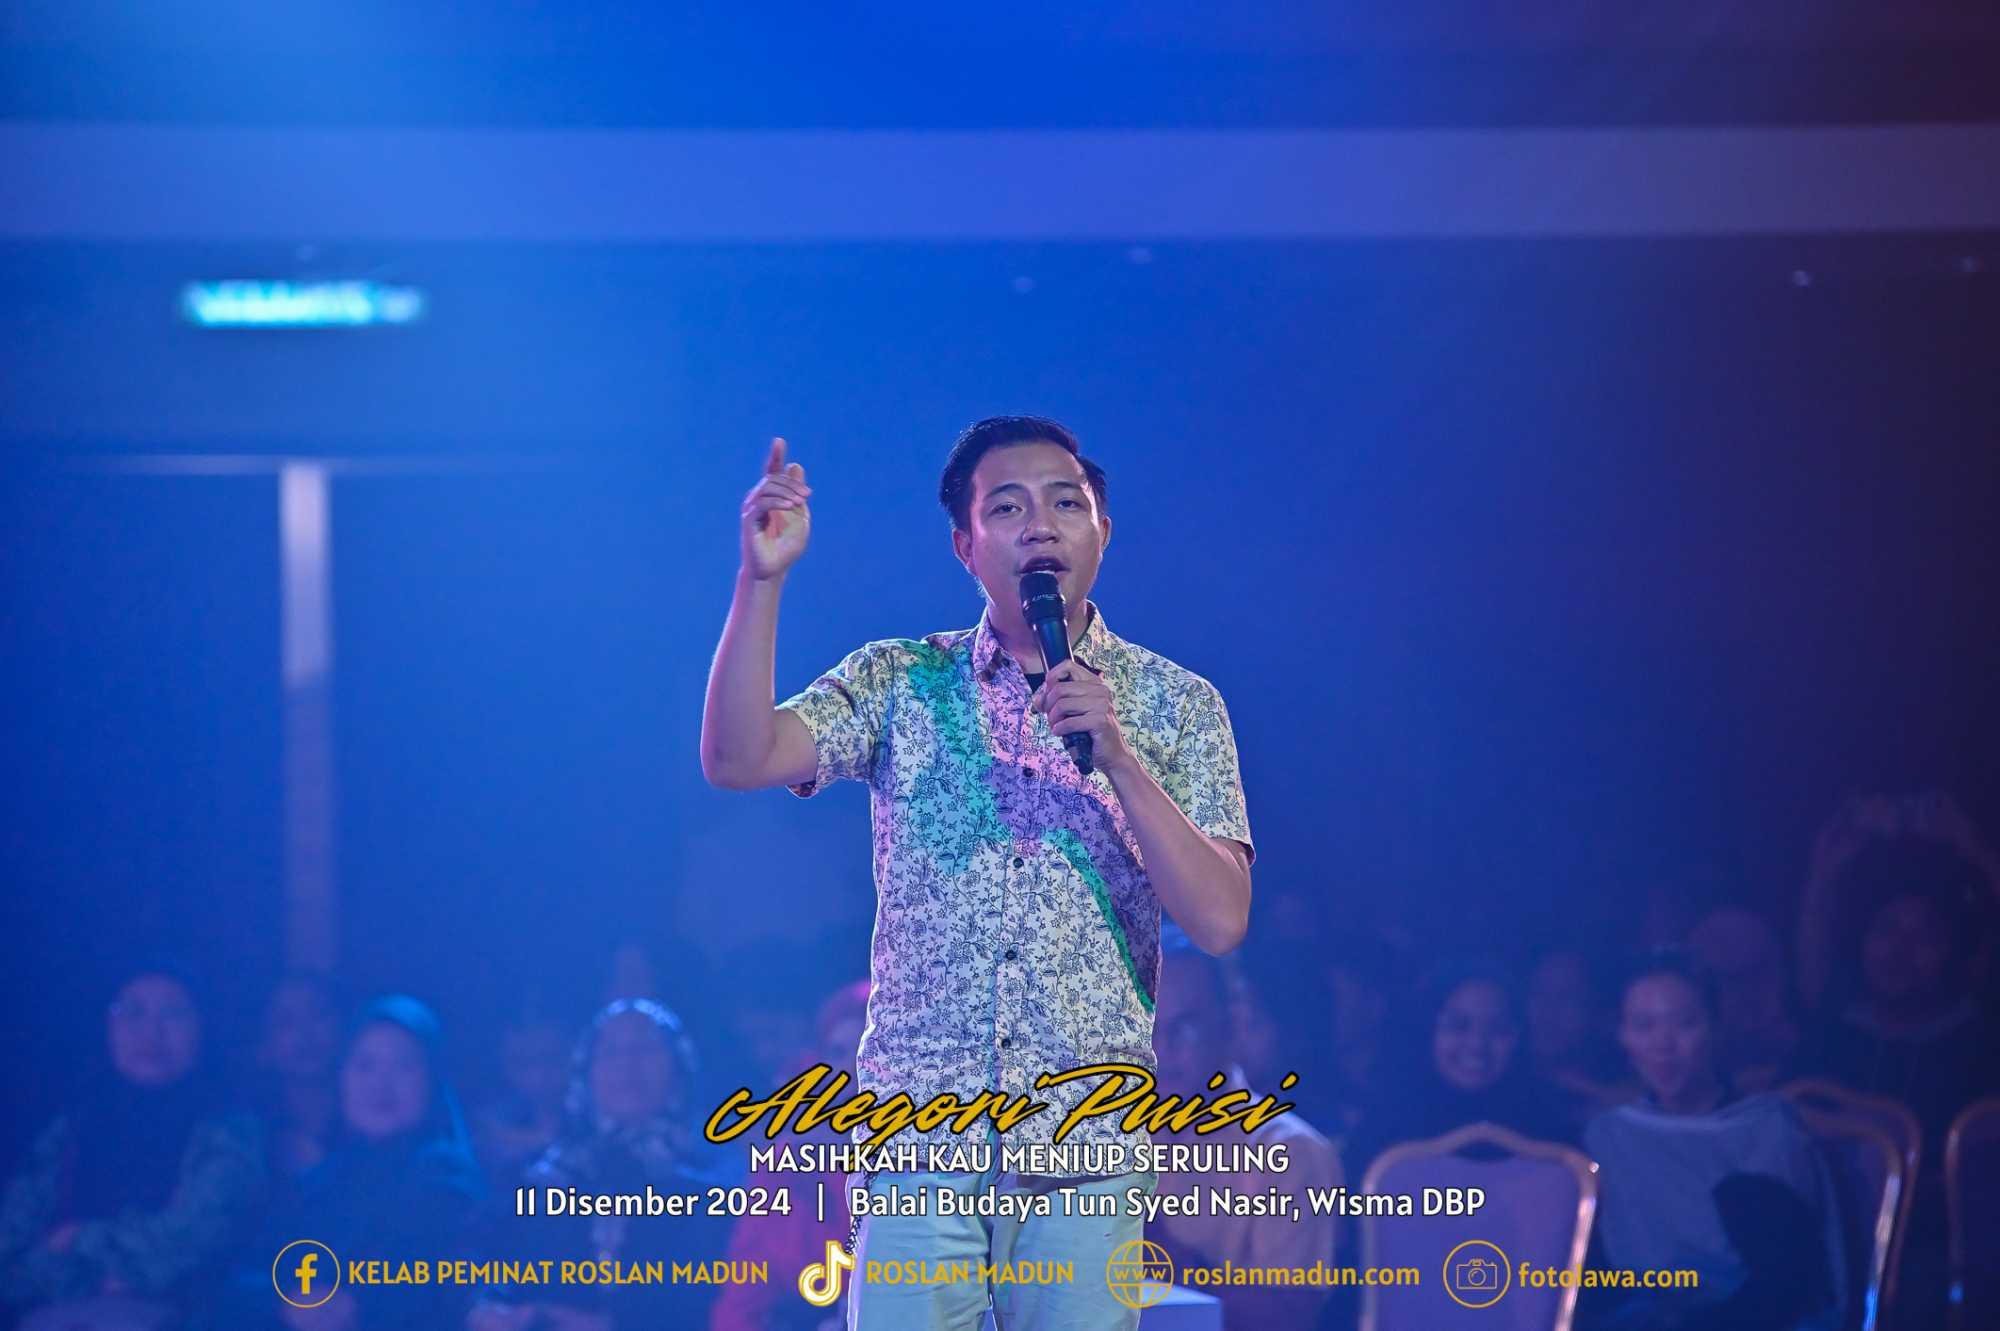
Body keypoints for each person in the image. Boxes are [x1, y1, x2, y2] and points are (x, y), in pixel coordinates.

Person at [700, 419, 1255, 1330]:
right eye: (1007, 507)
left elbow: (1223, 919)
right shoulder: (902, 679)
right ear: (966, 545)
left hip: (1084, 1155)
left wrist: (1117, 757)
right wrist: (760, 583)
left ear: (1103, 531)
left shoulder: (1178, 704)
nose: (1040, 524)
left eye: (1065, 502)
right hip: (920, 1148)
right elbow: (736, 756)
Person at [1582, 952, 1844, 1331]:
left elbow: (1790, 1285)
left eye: (1684, 1023)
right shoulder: (1609, 1136)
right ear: (1622, 1036)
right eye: (1644, 1026)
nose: (1663, 1044)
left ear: (1715, 1027)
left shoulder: (1768, 1131)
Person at [0, 963, 265, 1331]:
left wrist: (77, 1239)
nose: (151, 1033)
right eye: (132, 1012)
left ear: (203, 1028)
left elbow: (192, 1244)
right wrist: (89, 1278)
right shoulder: (73, 1127)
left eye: (173, 1013)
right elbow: (8, 1255)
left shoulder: (229, 1128)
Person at [223, 995, 486, 1331]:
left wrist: (343, 1308)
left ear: (432, 1080)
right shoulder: (318, 1183)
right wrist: (285, 1303)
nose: (380, 1084)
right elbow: (244, 1277)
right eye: (364, 1065)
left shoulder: (447, 1181)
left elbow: (417, 1289)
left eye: (404, 1066)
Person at [470, 999, 730, 1331]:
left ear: (679, 1067)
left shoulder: (717, 1179)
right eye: (610, 1051)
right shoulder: (541, 1176)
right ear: (585, 1070)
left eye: (645, 1049)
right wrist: (488, 1309)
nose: (627, 1064)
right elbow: (485, 1259)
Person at [1147, 930, 1338, 1331]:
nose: (1160, 1049)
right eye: (1148, 1027)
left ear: (1232, 1023)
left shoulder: (1290, 1151)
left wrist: (1158, 1254)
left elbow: (1286, 1318)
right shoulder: (1104, 1133)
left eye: (1184, 1027)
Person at [1344, 958, 1570, 1183]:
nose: (1477, 1044)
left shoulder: (1551, 1135)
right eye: (1458, 1026)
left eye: (1497, 1028)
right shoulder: (1383, 1130)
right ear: (1427, 1033)